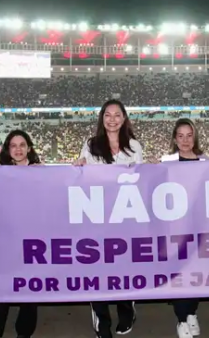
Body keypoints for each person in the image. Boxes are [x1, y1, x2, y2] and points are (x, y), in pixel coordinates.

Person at [73, 100, 142, 338]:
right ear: (102, 119)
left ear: (124, 119)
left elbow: (139, 179)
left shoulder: (133, 146)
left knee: (123, 266)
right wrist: (80, 165)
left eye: (117, 115)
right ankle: (102, 322)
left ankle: (126, 310)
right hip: (96, 217)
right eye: (107, 115)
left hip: (124, 217)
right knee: (97, 269)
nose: (112, 119)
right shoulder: (91, 145)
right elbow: (82, 177)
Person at [0, 130, 40, 338]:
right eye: (13, 145)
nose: (18, 149)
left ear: (29, 147)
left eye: (22, 145)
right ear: (8, 149)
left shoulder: (41, 171)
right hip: (6, 240)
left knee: (29, 291)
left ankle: (24, 332)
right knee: (1, 287)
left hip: (32, 239)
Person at [161, 119, 206, 338]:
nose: (185, 140)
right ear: (174, 139)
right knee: (180, 274)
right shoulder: (166, 162)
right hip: (176, 230)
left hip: (199, 228)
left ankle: (191, 314)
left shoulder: (206, 161)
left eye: (189, 135)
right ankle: (181, 319)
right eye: (180, 136)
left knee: (195, 273)